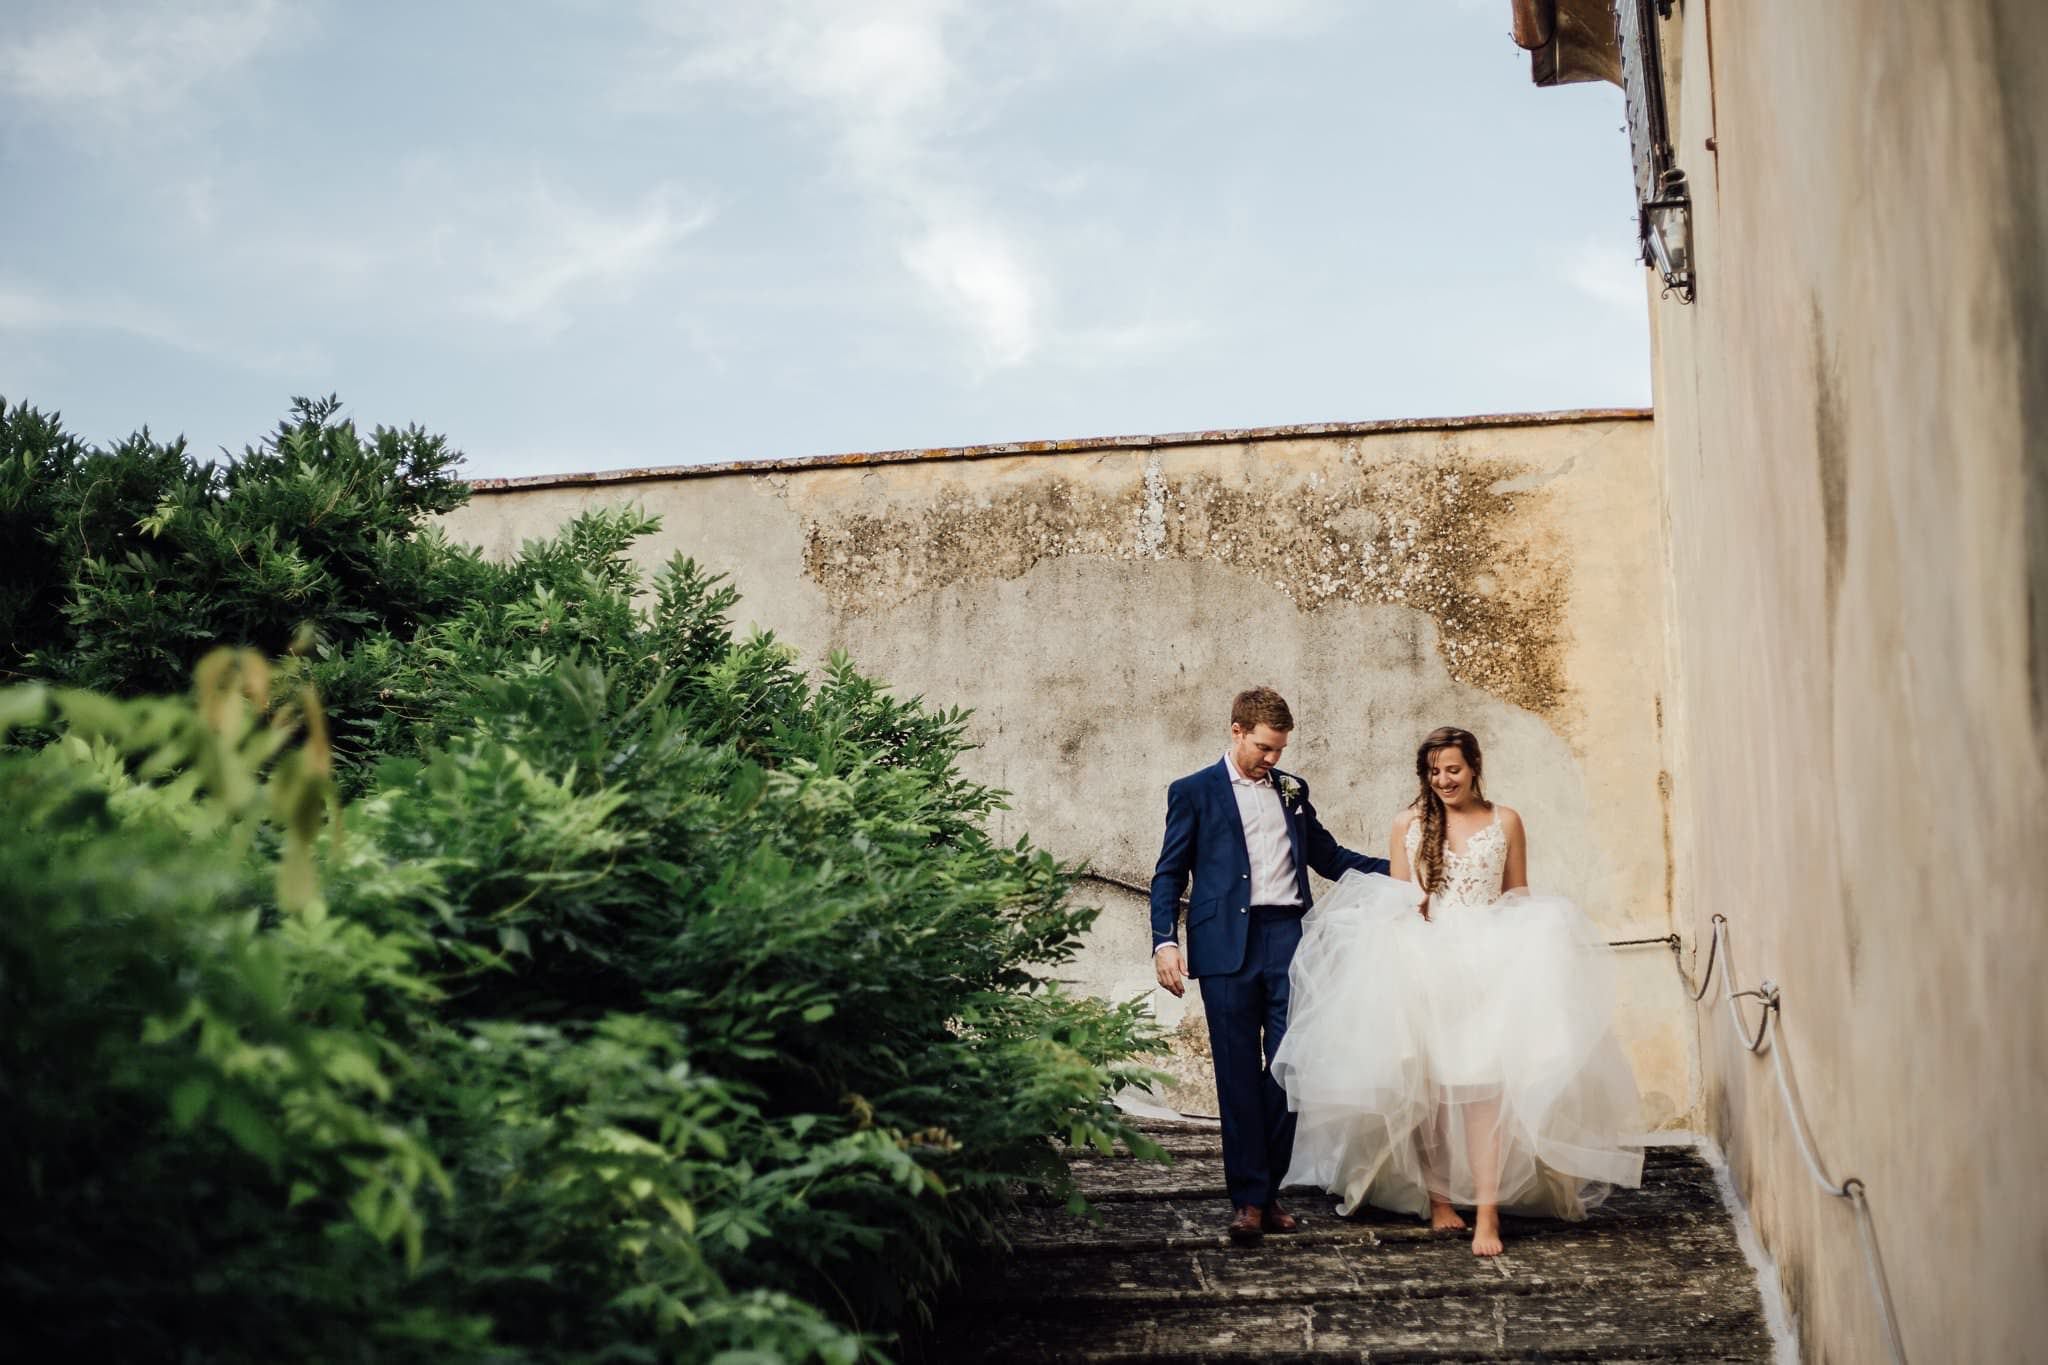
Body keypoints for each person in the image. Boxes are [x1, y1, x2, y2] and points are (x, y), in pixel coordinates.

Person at [1271, 726, 1643, 1257]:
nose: (1444, 780)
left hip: (1492, 965)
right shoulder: (1407, 824)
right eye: (1434, 771)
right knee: (1429, 1093)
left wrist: (1520, 954)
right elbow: (1399, 901)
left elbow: (1517, 895)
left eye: (1453, 769)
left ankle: (1488, 1213)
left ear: (1474, 768)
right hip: (1425, 962)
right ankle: (1440, 1199)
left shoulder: (1505, 820)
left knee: (1484, 1092)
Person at [1150, 686, 1389, 1246]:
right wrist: (1164, 941)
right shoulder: (1193, 792)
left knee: (1290, 1068)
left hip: (1288, 938)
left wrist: (1405, 867)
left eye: (1279, 749)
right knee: (1237, 1077)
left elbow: (1329, 857)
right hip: (1224, 945)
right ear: (1237, 731)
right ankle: (1252, 1200)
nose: (1273, 759)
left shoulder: (1291, 790)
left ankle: (1265, 1187)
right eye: (1264, 747)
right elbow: (1169, 873)